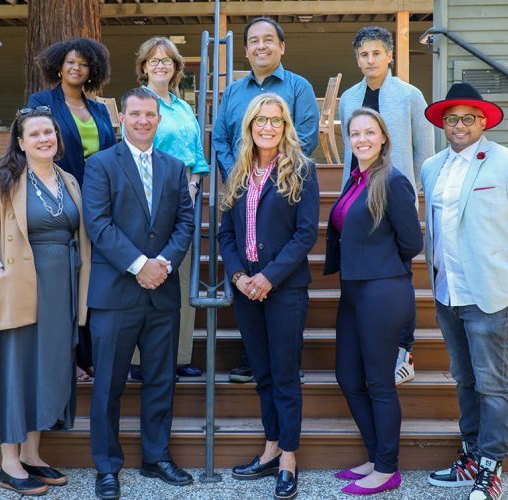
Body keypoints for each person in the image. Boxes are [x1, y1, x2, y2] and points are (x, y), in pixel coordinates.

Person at [421, 83, 508, 500]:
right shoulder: (432, 167)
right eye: (451, 119)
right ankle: (469, 456)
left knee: (491, 384)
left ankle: (490, 465)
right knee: (464, 379)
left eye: (468, 118)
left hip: (492, 295)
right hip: (448, 293)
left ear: (483, 122)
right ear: (442, 124)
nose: (459, 125)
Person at [0, 106, 91, 496]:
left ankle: (32, 455)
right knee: (14, 372)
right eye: (35, 134)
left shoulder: (68, 181)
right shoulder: (3, 181)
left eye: (49, 132)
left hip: (61, 288)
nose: (44, 139)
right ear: (20, 142)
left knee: (45, 371)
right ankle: (9, 462)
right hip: (16, 289)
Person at [82, 87, 194, 500]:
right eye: (136, 114)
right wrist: (138, 265)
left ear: (158, 120)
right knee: (108, 383)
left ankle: (155, 456)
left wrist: (162, 264)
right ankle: (107, 466)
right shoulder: (100, 165)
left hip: (162, 292)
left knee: (161, 379)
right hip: (116, 293)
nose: (144, 121)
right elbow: (98, 224)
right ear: (122, 119)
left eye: (150, 115)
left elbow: (185, 221)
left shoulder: (174, 167)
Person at [218, 93, 319, 500]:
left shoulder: (302, 170)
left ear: (285, 126)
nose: (267, 127)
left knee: (283, 375)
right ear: (249, 126)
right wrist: (240, 275)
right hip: (246, 291)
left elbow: (305, 235)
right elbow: (226, 234)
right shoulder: (239, 172)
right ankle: (270, 448)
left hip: (284, 290)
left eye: (275, 121)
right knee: (261, 374)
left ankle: (289, 459)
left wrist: (269, 278)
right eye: (261, 120)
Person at [213, 15, 319, 384]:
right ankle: (255, 355)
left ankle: (286, 358)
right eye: (254, 41)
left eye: (268, 39)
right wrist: (242, 170)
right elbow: (221, 140)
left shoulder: (299, 86)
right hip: (244, 186)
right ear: (245, 50)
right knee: (246, 256)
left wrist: (275, 169)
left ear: (282, 46)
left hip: (283, 189)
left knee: (275, 265)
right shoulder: (233, 92)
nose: (261, 46)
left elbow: (305, 136)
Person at [324, 107, 423, 496]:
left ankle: (388, 467)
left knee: (379, 383)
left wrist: (381, 266)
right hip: (353, 291)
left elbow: (412, 242)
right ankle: (374, 455)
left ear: (382, 138)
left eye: (369, 132)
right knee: (348, 377)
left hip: (382, 290)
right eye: (355, 133)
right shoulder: (356, 180)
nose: (362, 139)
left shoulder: (393, 181)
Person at [338, 26, 435, 386]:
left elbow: (424, 149)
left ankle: (403, 351)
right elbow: (351, 152)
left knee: (400, 271)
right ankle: (372, 347)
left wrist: (413, 190)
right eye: (363, 54)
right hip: (359, 198)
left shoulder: (410, 95)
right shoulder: (349, 97)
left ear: (390, 55)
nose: (370, 60)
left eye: (376, 53)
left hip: (395, 193)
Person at [28, 37, 117, 383]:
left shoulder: (98, 109)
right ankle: (68, 358)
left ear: (92, 69)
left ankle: (88, 355)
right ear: (58, 66)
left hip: (97, 201)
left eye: (83, 63)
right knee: (64, 280)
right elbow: (32, 145)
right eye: (70, 62)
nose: (76, 68)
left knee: (90, 279)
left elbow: (111, 154)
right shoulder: (42, 102)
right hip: (59, 198)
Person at [129, 36, 210, 381]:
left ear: (176, 68)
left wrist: (191, 188)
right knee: (142, 276)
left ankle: (179, 356)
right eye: (153, 60)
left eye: (167, 60)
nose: (160, 65)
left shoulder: (182, 108)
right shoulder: (138, 106)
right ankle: (136, 360)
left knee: (180, 274)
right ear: (144, 67)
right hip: (145, 205)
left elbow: (196, 155)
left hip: (182, 202)